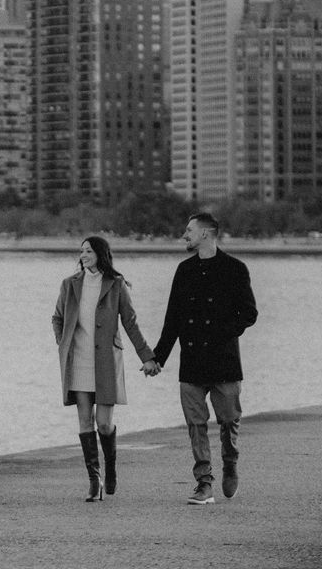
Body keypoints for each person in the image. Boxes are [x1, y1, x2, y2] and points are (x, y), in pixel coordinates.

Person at [144, 212, 257, 504]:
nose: (184, 235)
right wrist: (158, 358)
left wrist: (222, 332)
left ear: (206, 233)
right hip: (192, 360)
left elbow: (249, 314)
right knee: (196, 424)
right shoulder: (184, 271)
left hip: (224, 360)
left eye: (189, 230)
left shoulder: (235, 269)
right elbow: (173, 320)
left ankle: (230, 462)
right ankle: (204, 482)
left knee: (229, 421)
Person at [52, 234, 155, 502]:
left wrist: (147, 357)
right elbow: (57, 318)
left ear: (100, 253)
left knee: (104, 424)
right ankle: (93, 479)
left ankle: (110, 468)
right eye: (81, 252)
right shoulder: (69, 285)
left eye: (88, 251)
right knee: (85, 421)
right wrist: (63, 345)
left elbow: (130, 323)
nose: (83, 255)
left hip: (107, 362)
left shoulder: (117, 285)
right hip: (78, 362)